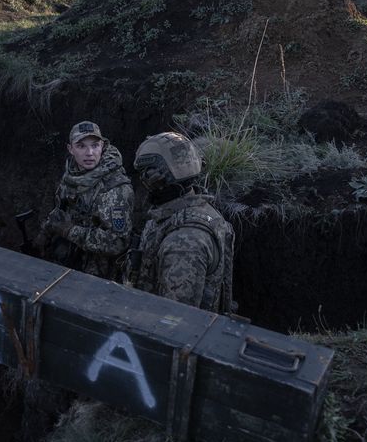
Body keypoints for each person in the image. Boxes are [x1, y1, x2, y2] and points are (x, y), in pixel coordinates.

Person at [131, 131, 235, 313]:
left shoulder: (185, 241)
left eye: (145, 174)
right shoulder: (189, 209)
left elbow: (175, 319)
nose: (143, 180)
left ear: (156, 178)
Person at [38, 120, 133, 280]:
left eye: (95, 145)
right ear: (71, 149)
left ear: (102, 146)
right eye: (81, 146)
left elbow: (117, 242)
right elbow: (61, 210)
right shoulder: (72, 175)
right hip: (69, 262)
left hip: (98, 276)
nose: (89, 153)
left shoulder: (115, 189)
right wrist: (46, 231)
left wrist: (69, 231)